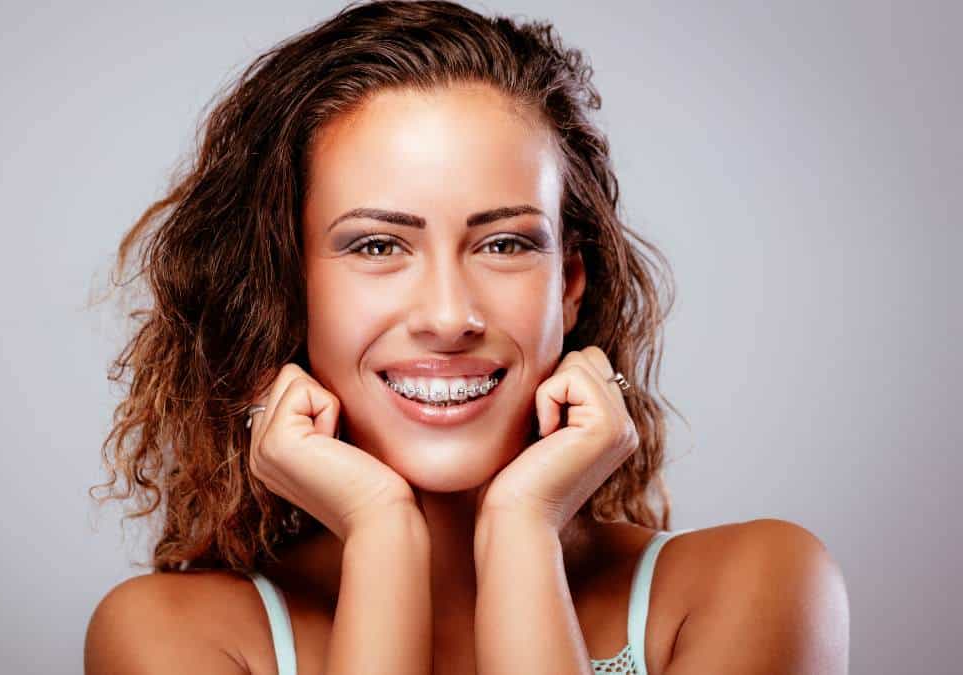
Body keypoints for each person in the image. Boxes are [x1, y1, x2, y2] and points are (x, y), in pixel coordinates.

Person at [84, 1, 849, 673]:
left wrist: (522, 531)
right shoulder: (174, 637)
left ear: (570, 284)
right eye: (378, 246)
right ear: (289, 287)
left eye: (505, 244)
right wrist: (382, 538)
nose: (449, 316)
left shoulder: (755, 586)